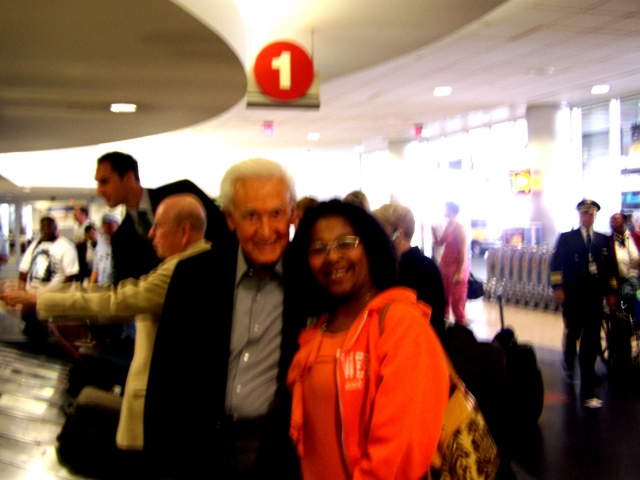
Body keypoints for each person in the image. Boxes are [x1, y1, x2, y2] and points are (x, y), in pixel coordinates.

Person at [1, 194, 210, 452]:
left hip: (159, 409)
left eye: (159, 226)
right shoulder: (194, 263)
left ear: (184, 231)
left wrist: (38, 298)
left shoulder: (182, 271)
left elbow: (113, 301)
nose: (151, 234)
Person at [144, 158, 306, 478]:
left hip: (276, 456)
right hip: (198, 452)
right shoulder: (192, 277)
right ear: (230, 218)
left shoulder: (309, 281)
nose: (265, 230)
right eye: (250, 215)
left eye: (275, 213)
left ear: (291, 214)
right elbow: (163, 383)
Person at [286, 200, 449, 479]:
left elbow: (398, 453)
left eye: (346, 243)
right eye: (318, 248)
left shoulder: (400, 325)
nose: (332, 257)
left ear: (371, 247)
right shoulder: (319, 328)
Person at [94, 151, 226, 284]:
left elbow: (224, 233)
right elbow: (130, 290)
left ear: (128, 178)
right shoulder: (120, 239)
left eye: (104, 181)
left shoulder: (182, 193)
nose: (99, 190)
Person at [550, 199, 616, 400]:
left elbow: (610, 269)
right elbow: (555, 265)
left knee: (592, 335)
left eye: (592, 214)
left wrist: (611, 292)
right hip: (573, 294)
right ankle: (569, 362)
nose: (588, 217)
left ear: (595, 216)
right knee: (574, 331)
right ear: (580, 215)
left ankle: (588, 370)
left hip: (594, 295)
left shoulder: (603, 240)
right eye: (585, 213)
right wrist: (558, 287)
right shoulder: (567, 238)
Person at [373, 203, 446, 339]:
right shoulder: (391, 266)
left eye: (382, 229)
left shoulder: (422, 269)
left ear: (399, 231)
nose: (377, 236)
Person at [16, 216, 79, 338]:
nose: (46, 230)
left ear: (56, 228)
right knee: (31, 331)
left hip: (52, 298)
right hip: (33, 297)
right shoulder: (36, 244)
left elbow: (70, 276)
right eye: (43, 227)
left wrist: (60, 298)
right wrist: (21, 291)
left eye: (49, 226)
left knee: (49, 335)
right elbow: (24, 268)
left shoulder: (66, 246)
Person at [432, 201, 469, 325]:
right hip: (445, 265)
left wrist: (459, 272)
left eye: (446, 209)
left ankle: (461, 328)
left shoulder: (459, 229)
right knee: (444, 296)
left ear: (451, 211)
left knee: (457, 301)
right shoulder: (449, 226)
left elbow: (463, 251)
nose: (444, 211)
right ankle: (445, 324)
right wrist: (433, 233)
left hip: (455, 267)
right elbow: (440, 243)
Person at [609, 212, 640, 306]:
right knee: (630, 293)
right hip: (621, 281)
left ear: (625, 221)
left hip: (637, 277)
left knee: (636, 287)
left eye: (617, 219)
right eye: (612, 220)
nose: (613, 222)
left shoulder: (636, 237)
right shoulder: (609, 242)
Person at [89, 214, 120, 287]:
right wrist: (90, 287)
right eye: (105, 224)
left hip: (118, 286)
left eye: (110, 223)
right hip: (102, 286)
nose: (107, 226)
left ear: (117, 225)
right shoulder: (100, 244)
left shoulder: (123, 243)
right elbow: (95, 269)